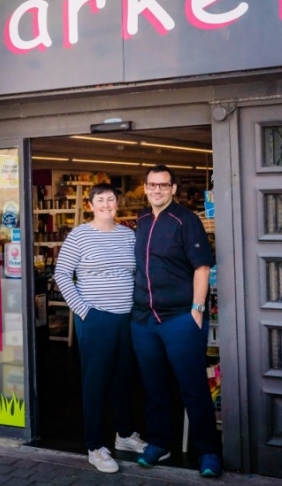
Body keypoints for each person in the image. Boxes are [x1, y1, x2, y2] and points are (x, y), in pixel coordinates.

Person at [130, 164, 222, 478]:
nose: (157, 190)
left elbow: (202, 268)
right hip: (144, 320)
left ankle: (208, 451)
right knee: (154, 387)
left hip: (180, 318)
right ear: (145, 188)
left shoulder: (186, 220)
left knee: (193, 387)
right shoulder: (140, 220)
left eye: (163, 185)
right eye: (152, 185)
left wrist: (197, 310)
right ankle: (158, 443)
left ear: (173, 189)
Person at [53, 182, 147, 474]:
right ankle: (95, 446)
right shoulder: (79, 236)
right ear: (91, 205)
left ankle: (124, 434)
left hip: (126, 318)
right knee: (96, 382)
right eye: (100, 200)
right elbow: (62, 274)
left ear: (117, 203)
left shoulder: (128, 235)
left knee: (124, 379)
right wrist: (84, 312)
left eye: (111, 199)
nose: (107, 204)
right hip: (96, 319)